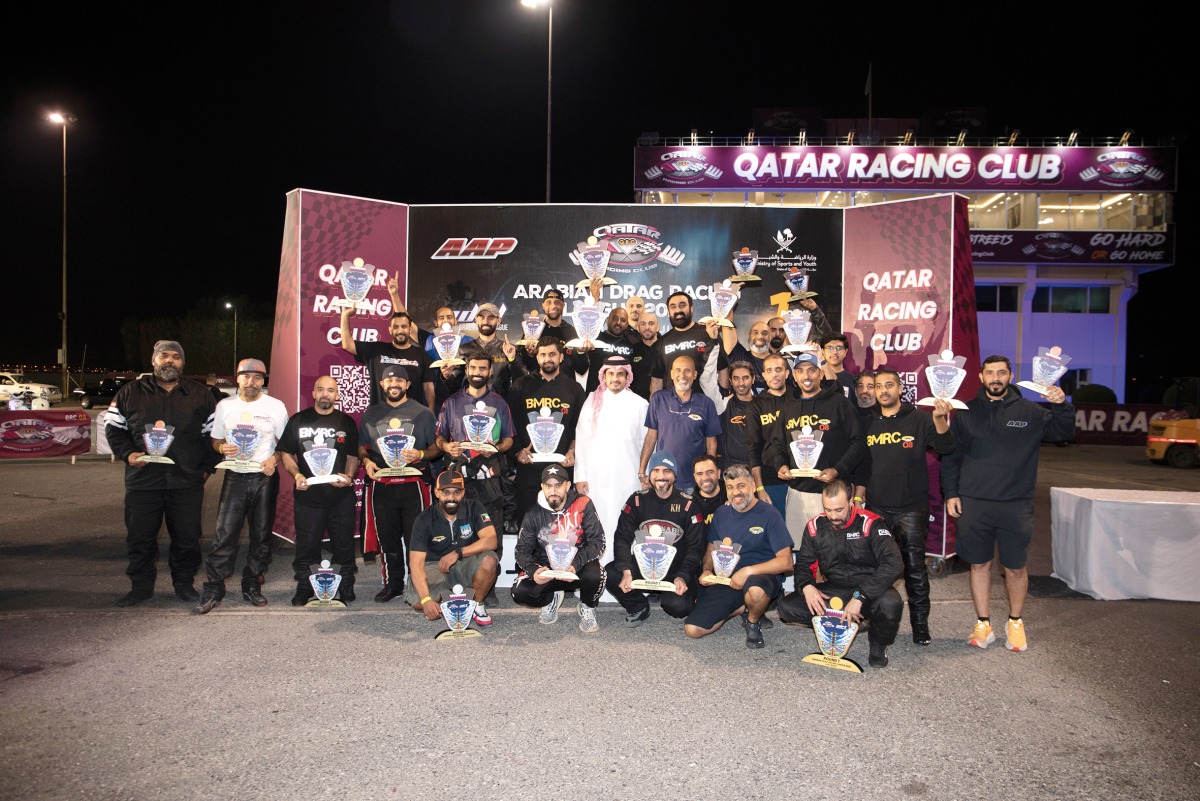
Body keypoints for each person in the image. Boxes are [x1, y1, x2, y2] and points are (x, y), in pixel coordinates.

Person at [942, 355, 1075, 652]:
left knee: (1015, 567)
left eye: (1001, 372)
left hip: (1015, 504)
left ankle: (1015, 622)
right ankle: (983, 624)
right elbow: (951, 456)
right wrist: (951, 493)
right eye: (990, 373)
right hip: (974, 503)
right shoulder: (965, 412)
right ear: (981, 377)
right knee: (979, 564)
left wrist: (1063, 405)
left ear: (1011, 376)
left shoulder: (1031, 411)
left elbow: (1064, 432)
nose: (996, 378)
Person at [106, 340, 219, 607]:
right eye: (164, 356)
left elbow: (214, 437)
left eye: (176, 357)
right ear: (154, 360)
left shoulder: (201, 394)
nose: (169, 361)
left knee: (187, 538)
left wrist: (205, 470)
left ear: (183, 363)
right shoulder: (129, 392)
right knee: (140, 538)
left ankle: (184, 584)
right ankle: (141, 588)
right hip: (142, 482)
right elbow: (114, 428)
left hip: (186, 482)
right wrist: (127, 454)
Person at [861, 370, 955, 644]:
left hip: (912, 508)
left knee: (914, 569)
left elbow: (946, 446)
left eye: (889, 385)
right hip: (877, 508)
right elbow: (861, 465)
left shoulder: (920, 420)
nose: (883, 390)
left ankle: (920, 626)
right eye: (879, 387)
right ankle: (874, 618)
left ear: (900, 388)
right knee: (875, 569)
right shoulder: (867, 422)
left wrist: (940, 420)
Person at [195, 358, 290, 614]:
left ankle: (252, 583)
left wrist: (274, 458)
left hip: (264, 476)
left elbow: (287, 443)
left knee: (261, 535)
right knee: (224, 534)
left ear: (263, 381)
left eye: (257, 377)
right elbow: (215, 440)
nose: (252, 381)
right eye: (246, 376)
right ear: (237, 378)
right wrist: (221, 447)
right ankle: (214, 586)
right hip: (235, 476)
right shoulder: (225, 406)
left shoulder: (275, 406)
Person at [776, 480, 904, 668]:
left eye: (839, 510)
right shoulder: (814, 526)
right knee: (787, 607)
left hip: (869, 591)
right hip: (834, 589)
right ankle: (845, 625)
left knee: (891, 603)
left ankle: (878, 644)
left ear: (851, 500)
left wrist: (860, 596)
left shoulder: (872, 523)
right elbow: (804, 564)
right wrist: (807, 586)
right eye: (828, 510)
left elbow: (894, 564)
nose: (833, 516)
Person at [762, 351, 867, 548]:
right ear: (794, 376)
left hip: (831, 493)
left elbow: (859, 442)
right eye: (800, 371)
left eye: (812, 370)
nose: (806, 376)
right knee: (801, 551)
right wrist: (781, 464)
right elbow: (776, 442)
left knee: (835, 550)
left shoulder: (839, 403)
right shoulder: (788, 406)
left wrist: (838, 470)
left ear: (820, 374)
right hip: (797, 492)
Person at [683, 464, 793, 649]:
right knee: (693, 630)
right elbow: (711, 549)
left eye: (741, 486)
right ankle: (741, 607)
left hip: (760, 577)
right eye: (731, 487)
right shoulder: (721, 513)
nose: (736, 492)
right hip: (727, 580)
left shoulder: (769, 513)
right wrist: (707, 570)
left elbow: (787, 562)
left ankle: (752, 621)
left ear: (752, 485)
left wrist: (748, 571)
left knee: (756, 592)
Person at [358, 365, 441, 603]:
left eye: (399, 381)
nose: (394, 385)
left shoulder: (423, 413)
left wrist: (421, 455)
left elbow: (437, 447)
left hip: (414, 484)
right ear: (382, 385)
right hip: (383, 485)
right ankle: (393, 584)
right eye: (389, 381)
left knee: (417, 537)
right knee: (387, 538)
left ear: (407, 385)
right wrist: (365, 460)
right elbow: (361, 445)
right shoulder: (371, 414)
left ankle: (416, 586)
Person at [276, 376, 360, 606]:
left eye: (330, 390)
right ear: (313, 393)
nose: (325, 394)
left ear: (337, 395)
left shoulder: (346, 422)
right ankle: (304, 586)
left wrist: (350, 477)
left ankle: (345, 585)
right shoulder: (298, 420)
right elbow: (285, 452)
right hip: (308, 497)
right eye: (321, 390)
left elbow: (353, 455)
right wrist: (297, 475)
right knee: (307, 546)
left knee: (343, 545)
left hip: (340, 497)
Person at [605, 451, 706, 626]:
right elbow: (622, 537)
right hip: (643, 566)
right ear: (650, 475)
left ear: (674, 475)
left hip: (675, 570)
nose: (661, 476)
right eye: (656, 470)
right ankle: (638, 606)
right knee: (610, 573)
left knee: (678, 607)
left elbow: (696, 547)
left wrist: (682, 576)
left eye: (667, 471)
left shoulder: (689, 503)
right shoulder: (637, 500)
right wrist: (627, 572)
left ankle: (682, 595)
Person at [434, 352, 515, 560]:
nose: (477, 373)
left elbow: (509, 440)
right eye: (473, 368)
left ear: (489, 372)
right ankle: (459, 585)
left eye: (482, 369)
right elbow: (439, 438)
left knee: (491, 531)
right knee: (458, 531)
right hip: (458, 478)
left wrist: (496, 448)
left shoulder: (500, 403)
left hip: (489, 477)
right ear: (467, 370)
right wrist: (446, 447)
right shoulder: (451, 403)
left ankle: (488, 590)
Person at [511, 465, 607, 633]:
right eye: (548, 486)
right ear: (542, 487)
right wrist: (534, 571)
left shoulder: (583, 503)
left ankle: (587, 607)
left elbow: (598, 542)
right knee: (520, 592)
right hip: (547, 569)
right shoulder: (533, 513)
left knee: (597, 575)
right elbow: (521, 551)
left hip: (577, 567)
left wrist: (575, 565)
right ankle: (550, 599)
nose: (553, 490)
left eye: (558, 485)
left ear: (568, 486)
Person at [574, 355, 648, 565]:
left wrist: (646, 474)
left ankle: (626, 575)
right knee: (599, 523)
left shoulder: (640, 404)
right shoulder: (592, 401)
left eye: (620, 374)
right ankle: (596, 576)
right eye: (611, 374)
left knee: (627, 524)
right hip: (597, 478)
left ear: (627, 376)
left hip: (630, 476)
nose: (615, 379)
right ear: (603, 376)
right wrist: (581, 476)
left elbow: (647, 443)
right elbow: (582, 439)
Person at [507, 336, 586, 525]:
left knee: (562, 527)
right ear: (537, 357)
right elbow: (510, 424)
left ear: (561, 357)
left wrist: (573, 451)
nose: (547, 359)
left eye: (552, 354)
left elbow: (580, 427)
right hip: (529, 467)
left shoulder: (574, 389)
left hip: (562, 467)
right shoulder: (520, 385)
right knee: (527, 524)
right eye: (543, 354)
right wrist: (518, 451)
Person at [404, 470, 500, 627]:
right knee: (421, 604)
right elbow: (415, 564)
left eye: (457, 492)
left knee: (489, 560)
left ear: (463, 493)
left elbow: (491, 540)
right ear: (437, 492)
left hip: (464, 561)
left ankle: (477, 605)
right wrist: (427, 600)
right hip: (434, 566)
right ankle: (454, 599)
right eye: (446, 492)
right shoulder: (424, 518)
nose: (451, 498)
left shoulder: (475, 507)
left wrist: (458, 552)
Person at [640, 354, 720, 494]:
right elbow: (651, 437)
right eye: (678, 370)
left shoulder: (706, 404)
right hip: (664, 479)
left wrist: (709, 474)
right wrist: (642, 471)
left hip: (694, 481)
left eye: (687, 370)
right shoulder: (658, 399)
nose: (682, 375)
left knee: (693, 516)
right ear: (671, 374)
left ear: (695, 375)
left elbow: (711, 443)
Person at [339, 304, 436, 409]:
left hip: (413, 418)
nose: (400, 331)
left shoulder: (421, 354)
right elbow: (347, 345)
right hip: (380, 418)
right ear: (390, 330)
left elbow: (428, 389)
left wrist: (430, 414)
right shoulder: (376, 350)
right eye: (396, 327)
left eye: (404, 326)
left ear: (410, 330)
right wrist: (345, 315)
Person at [648, 291, 727, 396]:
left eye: (682, 305)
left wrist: (724, 397)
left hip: (704, 403)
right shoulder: (662, 342)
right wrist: (655, 406)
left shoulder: (708, 333)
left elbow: (722, 368)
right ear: (668, 311)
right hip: (673, 405)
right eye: (673, 307)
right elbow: (657, 379)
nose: (678, 310)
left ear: (691, 308)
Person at [744, 353, 793, 510]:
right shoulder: (755, 406)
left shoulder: (798, 399)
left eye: (779, 369)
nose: (774, 374)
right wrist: (760, 488)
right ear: (763, 375)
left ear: (787, 373)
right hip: (771, 480)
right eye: (770, 370)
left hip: (800, 478)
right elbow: (754, 449)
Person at [453, 302, 526, 399]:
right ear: (476, 320)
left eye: (491, 317)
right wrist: (447, 377)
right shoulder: (463, 350)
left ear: (499, 321)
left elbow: (522, 380)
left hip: (499, 405)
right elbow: (453, 386)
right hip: (469, 405)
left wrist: (512, 360)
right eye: (482, 317)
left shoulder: (509, 349)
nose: (486, 321)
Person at [518, 288, 586, 376]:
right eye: (549, 302)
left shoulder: (571, 331)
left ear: (563, 306)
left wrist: (581, 352)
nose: (553, 306)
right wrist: (529, 354)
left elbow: (582, 369)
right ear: (543, 306)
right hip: (538, 386)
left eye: (557, 302)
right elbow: (522, 367)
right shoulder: (533, 329)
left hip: (565, 386)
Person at [580, 304, 637, 393]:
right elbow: (581, 368)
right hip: (597, 395)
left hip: (623, 397)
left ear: (626, 325)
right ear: (607, 320)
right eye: (615, 318)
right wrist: (581, 352)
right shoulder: (595, 339)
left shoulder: (632, 343)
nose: (618, 322)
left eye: (623, 320)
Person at [715, 360, 756, 469]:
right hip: (729, 467)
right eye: (736, 378)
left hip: (757, 468)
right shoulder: (722, 404)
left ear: (753, 379)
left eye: (746, 378)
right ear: (730, 381)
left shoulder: (763, 405)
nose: (741, 383)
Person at [690, 454, 727, 526]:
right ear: (695, 478)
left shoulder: (733, 496)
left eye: (710, 472)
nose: (705, 478)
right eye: (699, 474)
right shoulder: (690, 506)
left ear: (718, 473)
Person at [820, 334, 856, 399]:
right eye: (830, 348)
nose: (835, 352)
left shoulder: (853, 380)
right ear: (822, 352)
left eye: (839, 348)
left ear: (845, 351)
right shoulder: (816, 378)